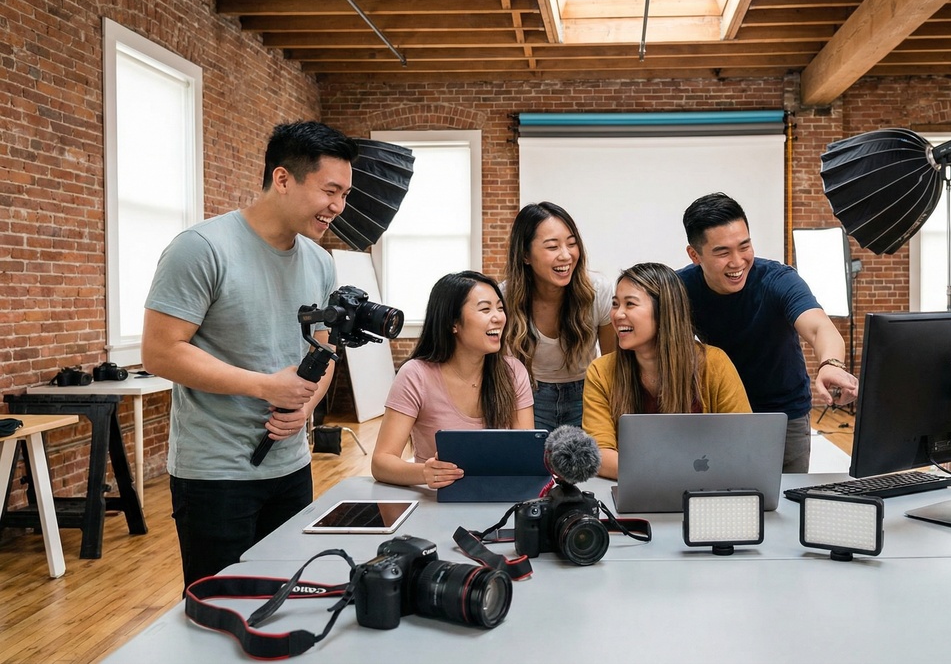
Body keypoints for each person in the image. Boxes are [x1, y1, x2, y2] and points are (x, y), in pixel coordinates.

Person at [143, 121, 358, 589]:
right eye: (330, 191)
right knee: (220, 608)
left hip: (292, 466)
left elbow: (324, 349)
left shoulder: (320, 261)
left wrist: (307, 403)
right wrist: (264, 385)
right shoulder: (201, 249)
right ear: (283, 179)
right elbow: (160, 352)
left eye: (344, 194)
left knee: (285, 595)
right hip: (215, 474)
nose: (338, 208)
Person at [677, 192, 859, 473]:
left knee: (783, 506)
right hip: (719, 414)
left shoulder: (778, 279)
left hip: (784, 414)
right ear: (694, 255)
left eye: (744, 246)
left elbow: (819, 326)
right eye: (722, 252)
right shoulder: (680, 288)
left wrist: (831, 364)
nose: (737, 262)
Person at [582, 262, 751, 479]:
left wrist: (669, 474)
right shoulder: (601, 371)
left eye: (630, 304)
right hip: (636, 492)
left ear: (665, 312)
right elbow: (600, 454)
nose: (617, 315)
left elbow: (743, 441)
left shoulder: (714, 363)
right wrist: (671, 475)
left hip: (707, 489)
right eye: (615, 304)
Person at [372, 270, 535, 487]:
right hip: (436, 502)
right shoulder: (416, 375)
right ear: (453, 323)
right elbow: (381, 462)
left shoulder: (513, 372)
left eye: (500, 308)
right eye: (485, 309)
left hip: (500, 498)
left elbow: (525, 454)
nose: (498, 317)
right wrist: (425, 473)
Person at [502, 202, 616, 430]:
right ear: (525, 255)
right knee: (530, 464)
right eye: (552, 247)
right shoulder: (504, 297)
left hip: (587, 393)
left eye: (572, 244)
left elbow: (612, 363)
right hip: (527, 396)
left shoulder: (598, 290)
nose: (566, 255)